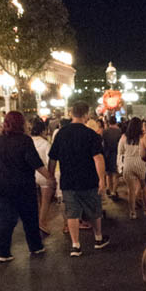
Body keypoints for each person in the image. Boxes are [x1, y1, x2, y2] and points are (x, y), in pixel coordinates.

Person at [0, 111, 54, 262]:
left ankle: (2, 252)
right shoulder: (24, 140)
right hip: (21, 184)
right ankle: (36, 246)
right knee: (29, 216)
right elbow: (35, 162)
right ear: (21, 123)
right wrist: (49, 177)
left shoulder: (1, 140)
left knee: (5, 218)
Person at [48, 101, 109, 256]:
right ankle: (98, 238)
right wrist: (102, 179)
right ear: (86, 115)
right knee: (94, 210)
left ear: (71, 113)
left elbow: (52, 158)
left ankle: (76, 245)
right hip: (88, 179)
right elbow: (98, 158)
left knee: (72, 213)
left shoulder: (61, 133)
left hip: (68, 180)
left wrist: (51, 177)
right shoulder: (91, 135)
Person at [118, 117, 146, 218]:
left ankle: (132, 212)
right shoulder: (143, 136)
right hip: (141, 163)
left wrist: (119, 166)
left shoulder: (124, 137)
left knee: (131, 190)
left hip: (128, 163)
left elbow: (120, 152)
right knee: (144, 187)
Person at [30, 117, 56, 234]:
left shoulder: (28, 141)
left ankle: (35, 222)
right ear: (42, 131)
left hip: (31, 174)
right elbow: (49, 159)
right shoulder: (45, 143)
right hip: (43, 174)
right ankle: (42, 222)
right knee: (45, 201)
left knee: (35, 201)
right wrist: (51, 176)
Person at [102, 115, 122, 198]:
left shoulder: (105, 131)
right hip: (116, 154)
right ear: (116, 122)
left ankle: (109, 190)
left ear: (109, 122)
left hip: (107, 153)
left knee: (108, 173)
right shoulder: (119, 131)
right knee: (115, 174)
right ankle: (114, 191)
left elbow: (103, 144)